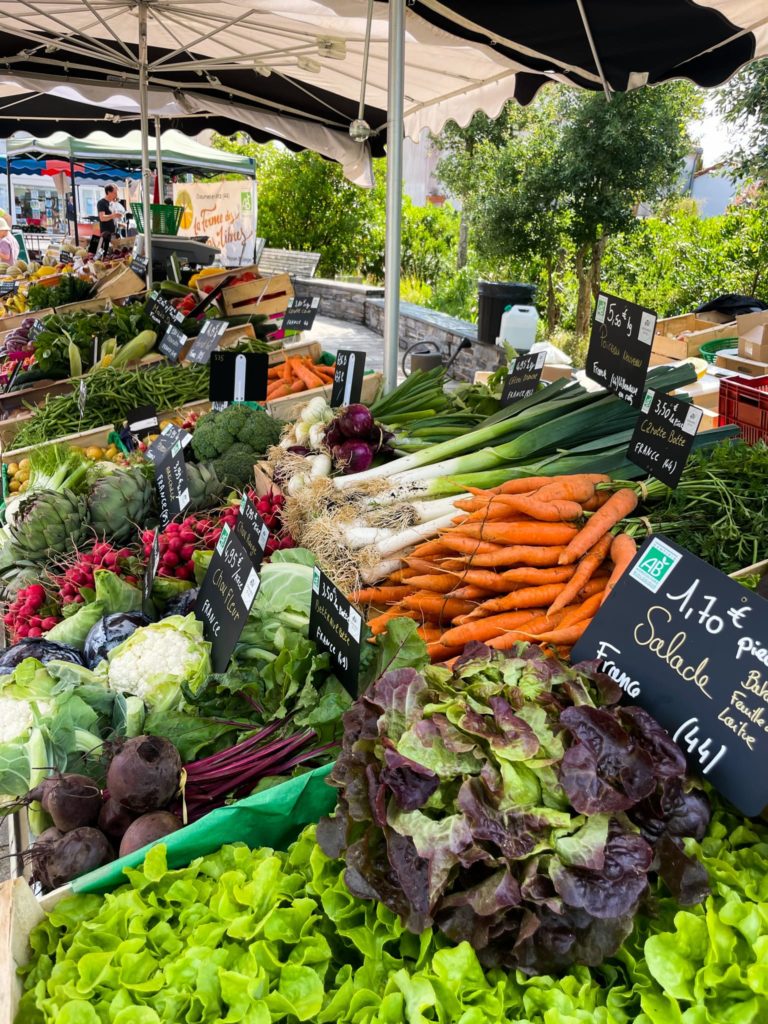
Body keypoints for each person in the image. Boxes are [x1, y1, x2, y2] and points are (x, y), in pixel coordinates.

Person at [90, 184, 121, 256]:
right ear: (109, 192)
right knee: (104, 255)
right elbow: (102, 218)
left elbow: (111, 218)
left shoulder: (112, 203)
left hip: (113, 234)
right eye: (115, 193)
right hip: (105, 235)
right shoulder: (101, 203)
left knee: (112, 255)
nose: (116, 195)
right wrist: (113, 215)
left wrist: (118, 222)